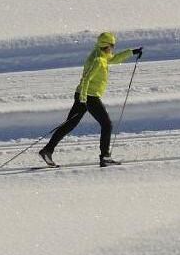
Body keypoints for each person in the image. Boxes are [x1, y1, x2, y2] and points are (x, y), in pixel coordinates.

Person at [39, 32, 142, 168]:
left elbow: (114, 59)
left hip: (84, 95)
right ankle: (105, 157)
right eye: (112, 45)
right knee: (107, 124)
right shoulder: (98, 60)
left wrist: (132, 52)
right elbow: (87, 79)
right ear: (106, 46)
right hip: (89, 96)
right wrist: (83, 99)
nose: (113, 48)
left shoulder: (101, 55)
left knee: (69, 125)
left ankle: (47, 150)